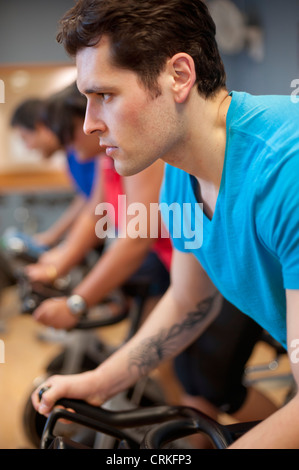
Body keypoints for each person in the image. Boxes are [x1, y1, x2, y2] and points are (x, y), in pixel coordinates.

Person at [31, 0, 299, 448]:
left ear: (178, 76)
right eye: (86, 100)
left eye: (105, 96)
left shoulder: (284, 168)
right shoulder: (180, 170)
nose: (90, 124)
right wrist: (99, 382)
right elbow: (188, 300)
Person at [25, 82, 172, 331]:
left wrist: (76, 303)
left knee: (164, 362)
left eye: (70, 133)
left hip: (191, 268)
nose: (85, 129)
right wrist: (55, 267)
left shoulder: (138, 150)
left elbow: (138, 235)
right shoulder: (106, 158)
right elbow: (95, 214)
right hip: (171, 266)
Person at [10, 95, 98, 251]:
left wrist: (64, 254)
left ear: (41, 127)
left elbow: (95, 203)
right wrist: (53, 236)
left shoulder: (85, 150)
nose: (28, 147)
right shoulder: (73, 154)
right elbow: (87, 197)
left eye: (26, 138)